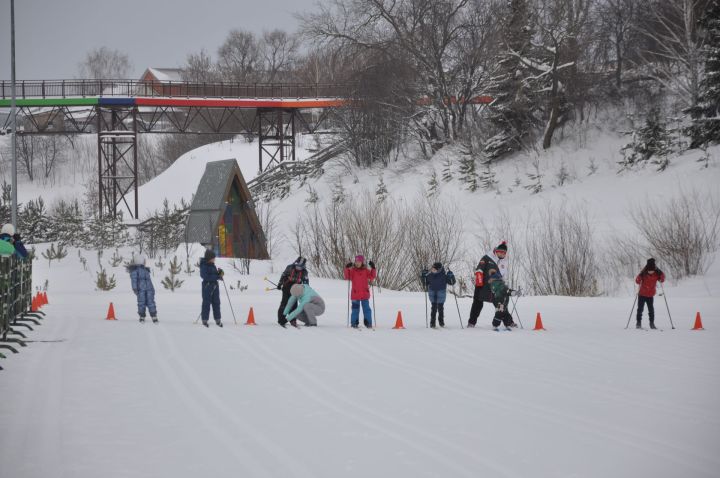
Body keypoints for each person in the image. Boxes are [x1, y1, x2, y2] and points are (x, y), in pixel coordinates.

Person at [468, 241, 508, 327]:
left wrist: (503, 286)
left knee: (501, 304)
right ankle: (471, 323)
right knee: (477, 305)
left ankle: (509, 322)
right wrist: (479, 282)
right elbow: (479, 270)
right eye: (500, 252)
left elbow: (502, 276)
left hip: (495, 287)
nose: (501, 254)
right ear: (496, 251)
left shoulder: (504, 263)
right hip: (482, 286)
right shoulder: (487, 257)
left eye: (503, 253)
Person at [344, 255, 377, 328]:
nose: (357, 263)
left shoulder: (366, 271)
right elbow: (347, 276)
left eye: (359, 261)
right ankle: (354, 323)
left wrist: (373, 268)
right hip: (355, 295)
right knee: (355, 310)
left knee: (367, 309)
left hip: (365, 294)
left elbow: (372, 276)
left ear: (362, 262)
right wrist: (347, 268)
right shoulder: (352, 271)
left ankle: (368, 322)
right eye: (356, 261)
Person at [276, 257, 309, 327]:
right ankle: (281, 319)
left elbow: (306, 282)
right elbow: (283, 275)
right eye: (297, 266)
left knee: (294, 305)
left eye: (300, 267)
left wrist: (306, 289)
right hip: (286, 287)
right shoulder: (289, 267)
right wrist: (279, 284)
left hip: (296, 289)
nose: (298, 268)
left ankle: (293, 320)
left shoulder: (304, 272)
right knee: (284, 303)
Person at [421, 262, 456, 328]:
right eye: (432, 269)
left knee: (440, 308)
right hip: (432, 293)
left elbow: (452, 282)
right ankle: (432, 323)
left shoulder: (444, 276)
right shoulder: (430, 275)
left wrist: (451, 276)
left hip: (441, 293)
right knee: (433, 308)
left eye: (434, 269)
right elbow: (425, 283)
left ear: (439, 269)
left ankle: (441, 322)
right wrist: (423, 276)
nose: (432, 270)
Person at [635, 258, 666, 329]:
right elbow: (637, 281)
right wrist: (640, 277)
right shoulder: (644, 273)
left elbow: (662, 279)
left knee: (651, 310)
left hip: (650, 295)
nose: (650, 272)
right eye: (649, 271)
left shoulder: (656, 273)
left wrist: (661, 274)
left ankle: (652, 323)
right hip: (642, 294)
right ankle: (638, 323)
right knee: (640, 309)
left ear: (654, 270)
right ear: (647, 269)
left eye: (652, 271)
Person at [127, 254, 158, 323]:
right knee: (141, 302)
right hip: (140, 290)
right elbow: (134, 280)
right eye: (144, 261)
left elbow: (149, 281)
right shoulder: (134, 271)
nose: (145, 262)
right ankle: (142, 316)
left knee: (151, 302)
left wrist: (152, 289)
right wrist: (135, 288)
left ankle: (154, 315)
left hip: (149, 289)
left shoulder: (146, 270)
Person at [199, 249, 224, 327]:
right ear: (209, 258)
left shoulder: (213, 265)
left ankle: (218, 319)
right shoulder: (204, 266)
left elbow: (215, 274)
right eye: (213, 258)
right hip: (207, 286)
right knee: (206, 303)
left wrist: (220, 273)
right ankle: (205, 320)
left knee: (216, 302)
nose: (214, 259)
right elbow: (205, 276)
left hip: (215, 286)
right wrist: (216, 277)